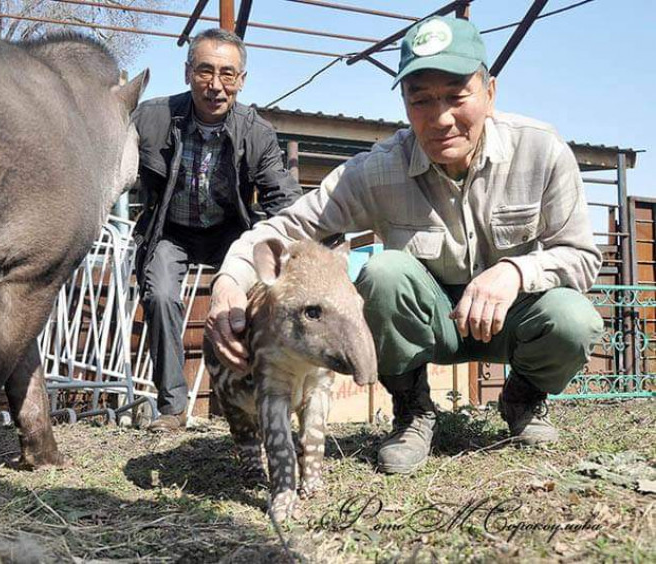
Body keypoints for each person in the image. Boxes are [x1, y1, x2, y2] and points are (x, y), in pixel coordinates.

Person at [205, 16, 604, 473]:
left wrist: (515, 272)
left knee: (573, 319)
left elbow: (581, 255)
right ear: (404, 104)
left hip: (512, 319)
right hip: (428, 324)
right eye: (421, 100)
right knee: (383, 273)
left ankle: (524, 398)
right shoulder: (377, 170)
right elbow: (287, 227)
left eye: (457, 96)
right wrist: (229, 281)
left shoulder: (542, 151)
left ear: (490, 93)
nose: (441, 118)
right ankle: (412, 410)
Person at [132, 28, 302, 431]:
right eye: (205, 71)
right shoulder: (151, 118)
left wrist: (300, 243)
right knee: (160, 295)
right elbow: (110, 161)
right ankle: (172, 408)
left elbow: (282, 195)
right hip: (170, 231)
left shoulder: (256, 132)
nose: (215, 85)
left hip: (230, 231)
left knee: (249, 302)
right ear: (187, 72)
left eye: (228, 74)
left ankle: (240, 404)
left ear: (241, 80)